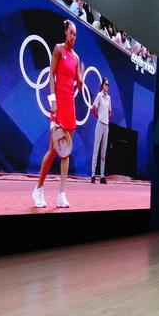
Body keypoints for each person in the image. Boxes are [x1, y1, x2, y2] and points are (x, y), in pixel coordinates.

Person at [33, 19, 84, 209]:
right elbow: (51, 76)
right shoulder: (58, 50)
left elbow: (78, 84)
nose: (73, 37)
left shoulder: (76, 58)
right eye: (71, 33)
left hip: (70, 106)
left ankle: (62, 195)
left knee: (66, 152)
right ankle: (38, 189)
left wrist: (80, 80)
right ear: (66, 32)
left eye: (75, 34)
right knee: (54, 150)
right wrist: (52, 101)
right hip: (58, 105)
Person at [89, 77, 111, 184]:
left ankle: (102, 176)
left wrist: (106, 118)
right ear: (102, 85)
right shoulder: (99, 95)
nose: (107, 86)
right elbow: (93, 108)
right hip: (99, 125)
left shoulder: (109, 98)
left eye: (108, 85)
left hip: (106, 126)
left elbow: (110, 111)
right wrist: (98, 117)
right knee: (96, 150)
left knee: (103, 152)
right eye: (106, 84)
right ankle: (93, 175)